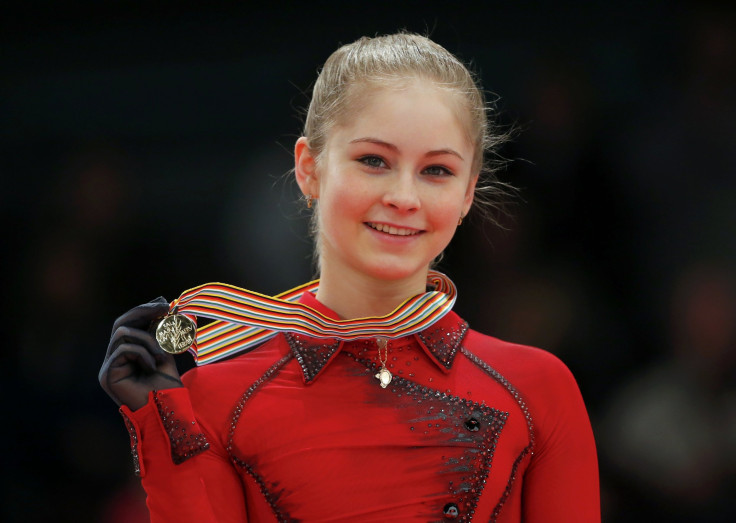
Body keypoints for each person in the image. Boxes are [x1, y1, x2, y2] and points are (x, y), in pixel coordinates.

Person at [99, 32, 600, 522]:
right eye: (373, 161)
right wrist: (164, 424)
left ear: (468, 193)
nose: (404, 196)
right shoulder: (214, 398)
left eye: (437, 170)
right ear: (309, 168)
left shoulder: (539, 389)